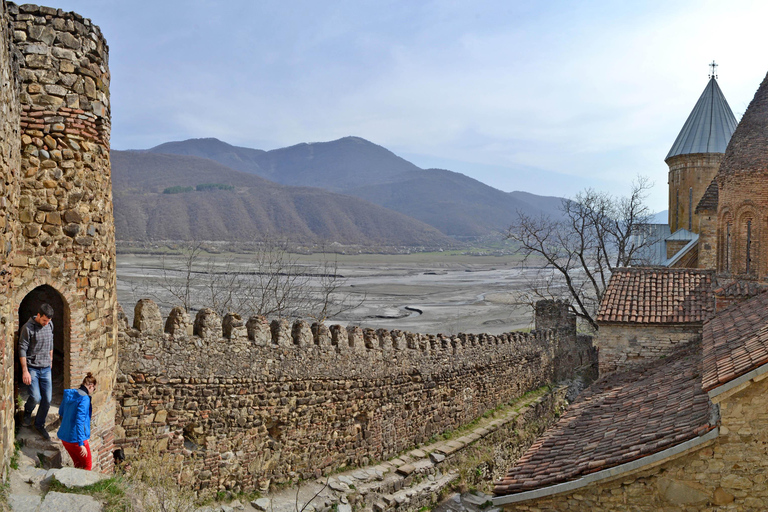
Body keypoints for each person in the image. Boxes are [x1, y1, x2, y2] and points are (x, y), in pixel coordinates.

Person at [18, 303, 55, 440]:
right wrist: (25, 371)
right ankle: (27, 412)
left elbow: (51, 342)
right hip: (32, 367)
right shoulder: (28, 328)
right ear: (38, 315)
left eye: (48, 321)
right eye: (44, 320)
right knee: (36, 397)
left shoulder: (50, 325)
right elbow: (22, 348)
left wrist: (50, 359)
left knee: (48, 399)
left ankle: (39, 424)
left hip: (45, 368)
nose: (46, 323)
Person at [58, 373, 96, 470]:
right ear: (90, 386)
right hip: (76, 439)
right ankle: (85, 485)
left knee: (78, 464)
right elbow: (79, 421)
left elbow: (61, 412)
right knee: (87, 465)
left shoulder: (69, 394)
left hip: (65, 438)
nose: (93, 391)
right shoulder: (84, 399)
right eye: (94, 389)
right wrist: (81, 443)